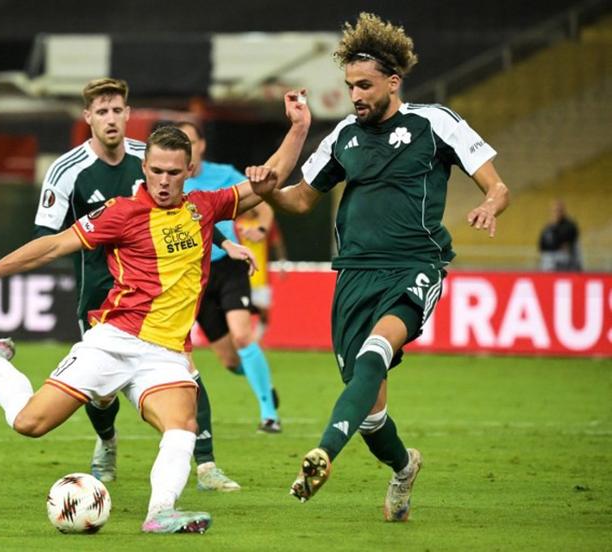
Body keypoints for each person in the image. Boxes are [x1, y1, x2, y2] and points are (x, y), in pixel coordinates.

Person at [0, 106, 310, 532]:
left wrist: (299, 127)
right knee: (29, 423)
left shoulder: (206, 208)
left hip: (166, 354)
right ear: (145, 168)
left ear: (189, 169)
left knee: (182, 424)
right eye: (156, 171)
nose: (165, 180)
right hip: (113, 341)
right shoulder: (120, 212)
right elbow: (52, 246)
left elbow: (270, 179)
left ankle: (160, 513)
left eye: (173, 172)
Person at [248, 13, 510, 522]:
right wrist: (267, 194)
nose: (356, 96)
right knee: (370, 412)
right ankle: (403, 466)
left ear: (394, 81)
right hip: (353, 276)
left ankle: (323, 452)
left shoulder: (435, 123)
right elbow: (302, 199)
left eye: (365, 85)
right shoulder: (345, 135)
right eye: (350, 87)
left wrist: (490, 205)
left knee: (374, 354)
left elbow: (497, 185)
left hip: (415, 266)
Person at [33, 78, 241, 491]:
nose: (111, 119)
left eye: (117, 110)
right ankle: (107, 440)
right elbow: (47, 237)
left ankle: (206, 465)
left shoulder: (149, 158)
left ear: (128, 114)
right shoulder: (65, 170)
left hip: (157, 296)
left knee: (190, 375)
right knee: (101, 395)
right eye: (102, 111)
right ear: (88, 117)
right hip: (101, 297)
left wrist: (223, 241)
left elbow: (185, 208)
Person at [177, 120, 282, 433]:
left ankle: (269, 414)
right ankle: (259, 380)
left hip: (229, 265)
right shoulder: (169, 183)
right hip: (194, 274)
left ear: (202, 145)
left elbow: (264, 199)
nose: (187, 149)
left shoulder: (224, 174)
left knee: (242, 334)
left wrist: (260, 229)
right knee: (230, 360)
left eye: (191, 142)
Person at [236, 209, 288, 339]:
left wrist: (282, 263)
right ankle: (244, 339)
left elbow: (277, 242)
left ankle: (256, 339)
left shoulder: (265, 223)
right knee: (240, 310)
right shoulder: (235, 223)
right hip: (239, 276)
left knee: (264, 313)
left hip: (260, 276)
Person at [538, 199, 582, 271]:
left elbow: (565, 242)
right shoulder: (548, 227)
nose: (556, 212)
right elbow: (541, 244)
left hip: (565, 256)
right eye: (554, 210)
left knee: (551, 260)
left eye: (559, 210)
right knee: (546, 259)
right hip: (549, 256)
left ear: (563, 211)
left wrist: (555, 228)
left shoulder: (569, 225)